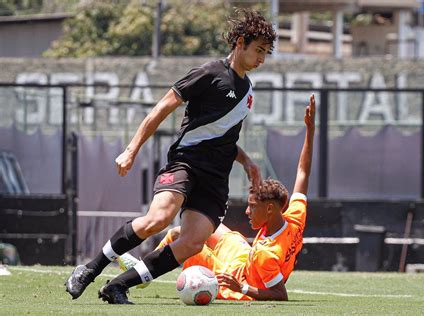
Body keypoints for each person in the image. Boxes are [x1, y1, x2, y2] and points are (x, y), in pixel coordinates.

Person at [65, 9, 276, 304]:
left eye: (266, 53)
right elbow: (162, 108)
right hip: (185, 163)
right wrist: (131, 149)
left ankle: (117, 286)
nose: (262, 59)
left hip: (215, 179)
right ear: (240, 42)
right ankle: (89, 269)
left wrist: (248, 163)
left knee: (192, 242)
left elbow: (225, 138)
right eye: (258, 50)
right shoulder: (209, 73)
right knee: (158, 218)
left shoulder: (247, 91)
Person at [119, 94, 316, 301]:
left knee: (179, 237)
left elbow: (279, 295)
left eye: (252, 207)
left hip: (233, 277)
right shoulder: (294, 217)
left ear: (270, 209)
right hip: (243, 256)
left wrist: (242, 288)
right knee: (191, 229)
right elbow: (303, 172)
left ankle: (143, 274)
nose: (247, 211)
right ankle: (144, 270)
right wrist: (310, 130)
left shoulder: (266, 255)